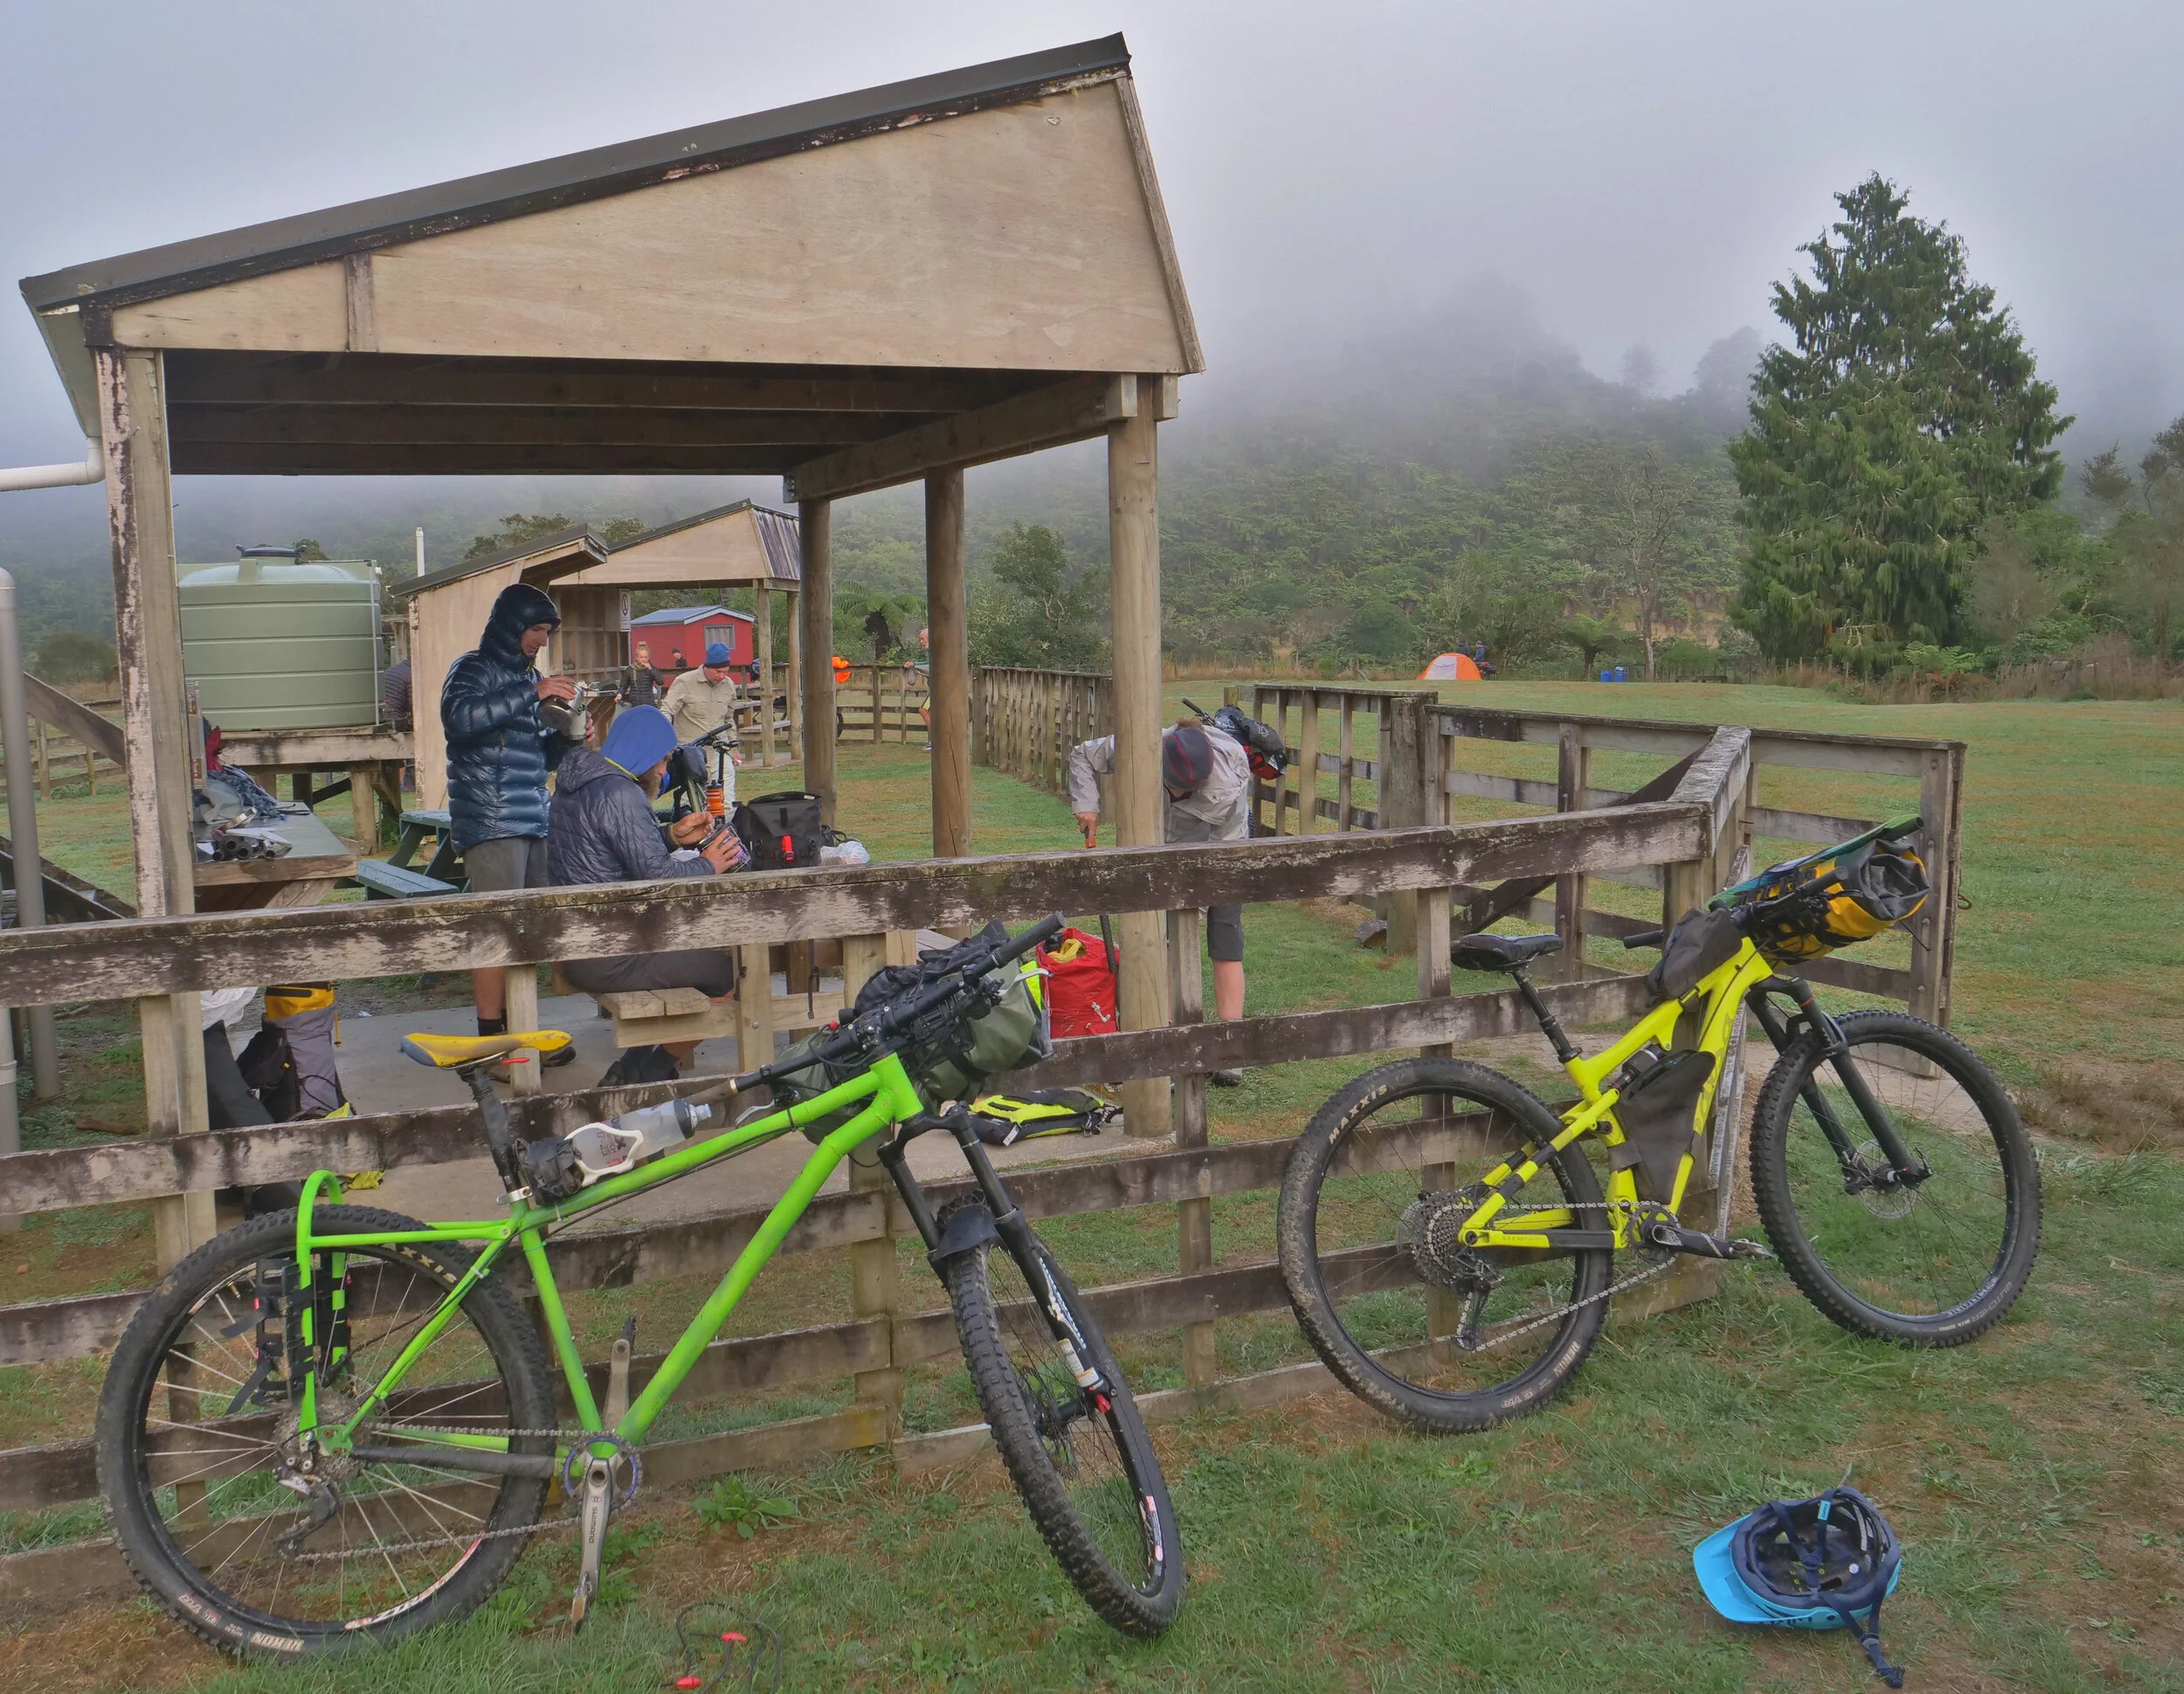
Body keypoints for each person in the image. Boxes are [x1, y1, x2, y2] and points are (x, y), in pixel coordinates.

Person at [548, 705, 745, 1084]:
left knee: (693, 955)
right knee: (731, 973)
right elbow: (659, 879)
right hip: (608, 955)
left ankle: (633, 1068)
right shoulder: (622, 793)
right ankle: (646, 1074)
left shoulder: (578, 783)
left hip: (574, 945)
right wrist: (709, 864)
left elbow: (611, 851)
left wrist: (671, 835)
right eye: (663, 759)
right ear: (644, 752)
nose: (663, 771)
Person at [1068, 719, 1251, 1085]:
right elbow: (1083, 755)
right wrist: (1087, 804)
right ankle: (1165, 1043)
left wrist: (1192, 908)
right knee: (1159, 942)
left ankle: (1230, 1050)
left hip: (1222, 851)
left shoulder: (1227, 785)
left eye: (1188, 791)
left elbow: (1220, 858)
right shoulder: (1141, 744)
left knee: (1225, 941)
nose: (1180, 794)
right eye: (1174, 787)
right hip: (1161, 852)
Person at [442, 581, 580, 1066]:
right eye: (535, 629)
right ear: (510, 625)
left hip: (531, 816)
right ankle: (492, 1048)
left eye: (547, 631)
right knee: (494, 932)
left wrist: (569, 735)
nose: (542, 640)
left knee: (527, 932)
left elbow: (537, 756)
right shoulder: (473, 668)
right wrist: (532, 692)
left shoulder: (530, 677)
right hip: (489, 817)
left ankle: (521, 1035)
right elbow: (459, 719)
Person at [662, 640, 744, 800]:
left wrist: (733, 749)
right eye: (718, 671)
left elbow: (729, 719)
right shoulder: (684, 682)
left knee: (726, 802)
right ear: (707, 667)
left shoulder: (728, 686)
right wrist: (666, 743)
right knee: (691, 805)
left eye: (725, 672)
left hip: (719, 753)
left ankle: (724, 818)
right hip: (690, 756)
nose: (722, 676)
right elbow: (666, 711)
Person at [626, 640, 662, 708]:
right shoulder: (630, 669)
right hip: (634, 704)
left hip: (649, 703)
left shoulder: (652, 669)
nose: (644, 659)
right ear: (637, 657)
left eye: (646, 657)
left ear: (648, 657)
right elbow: (624, 685)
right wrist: (619, 694)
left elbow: (661, 682)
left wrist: (650, 669)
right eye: (641, 657)